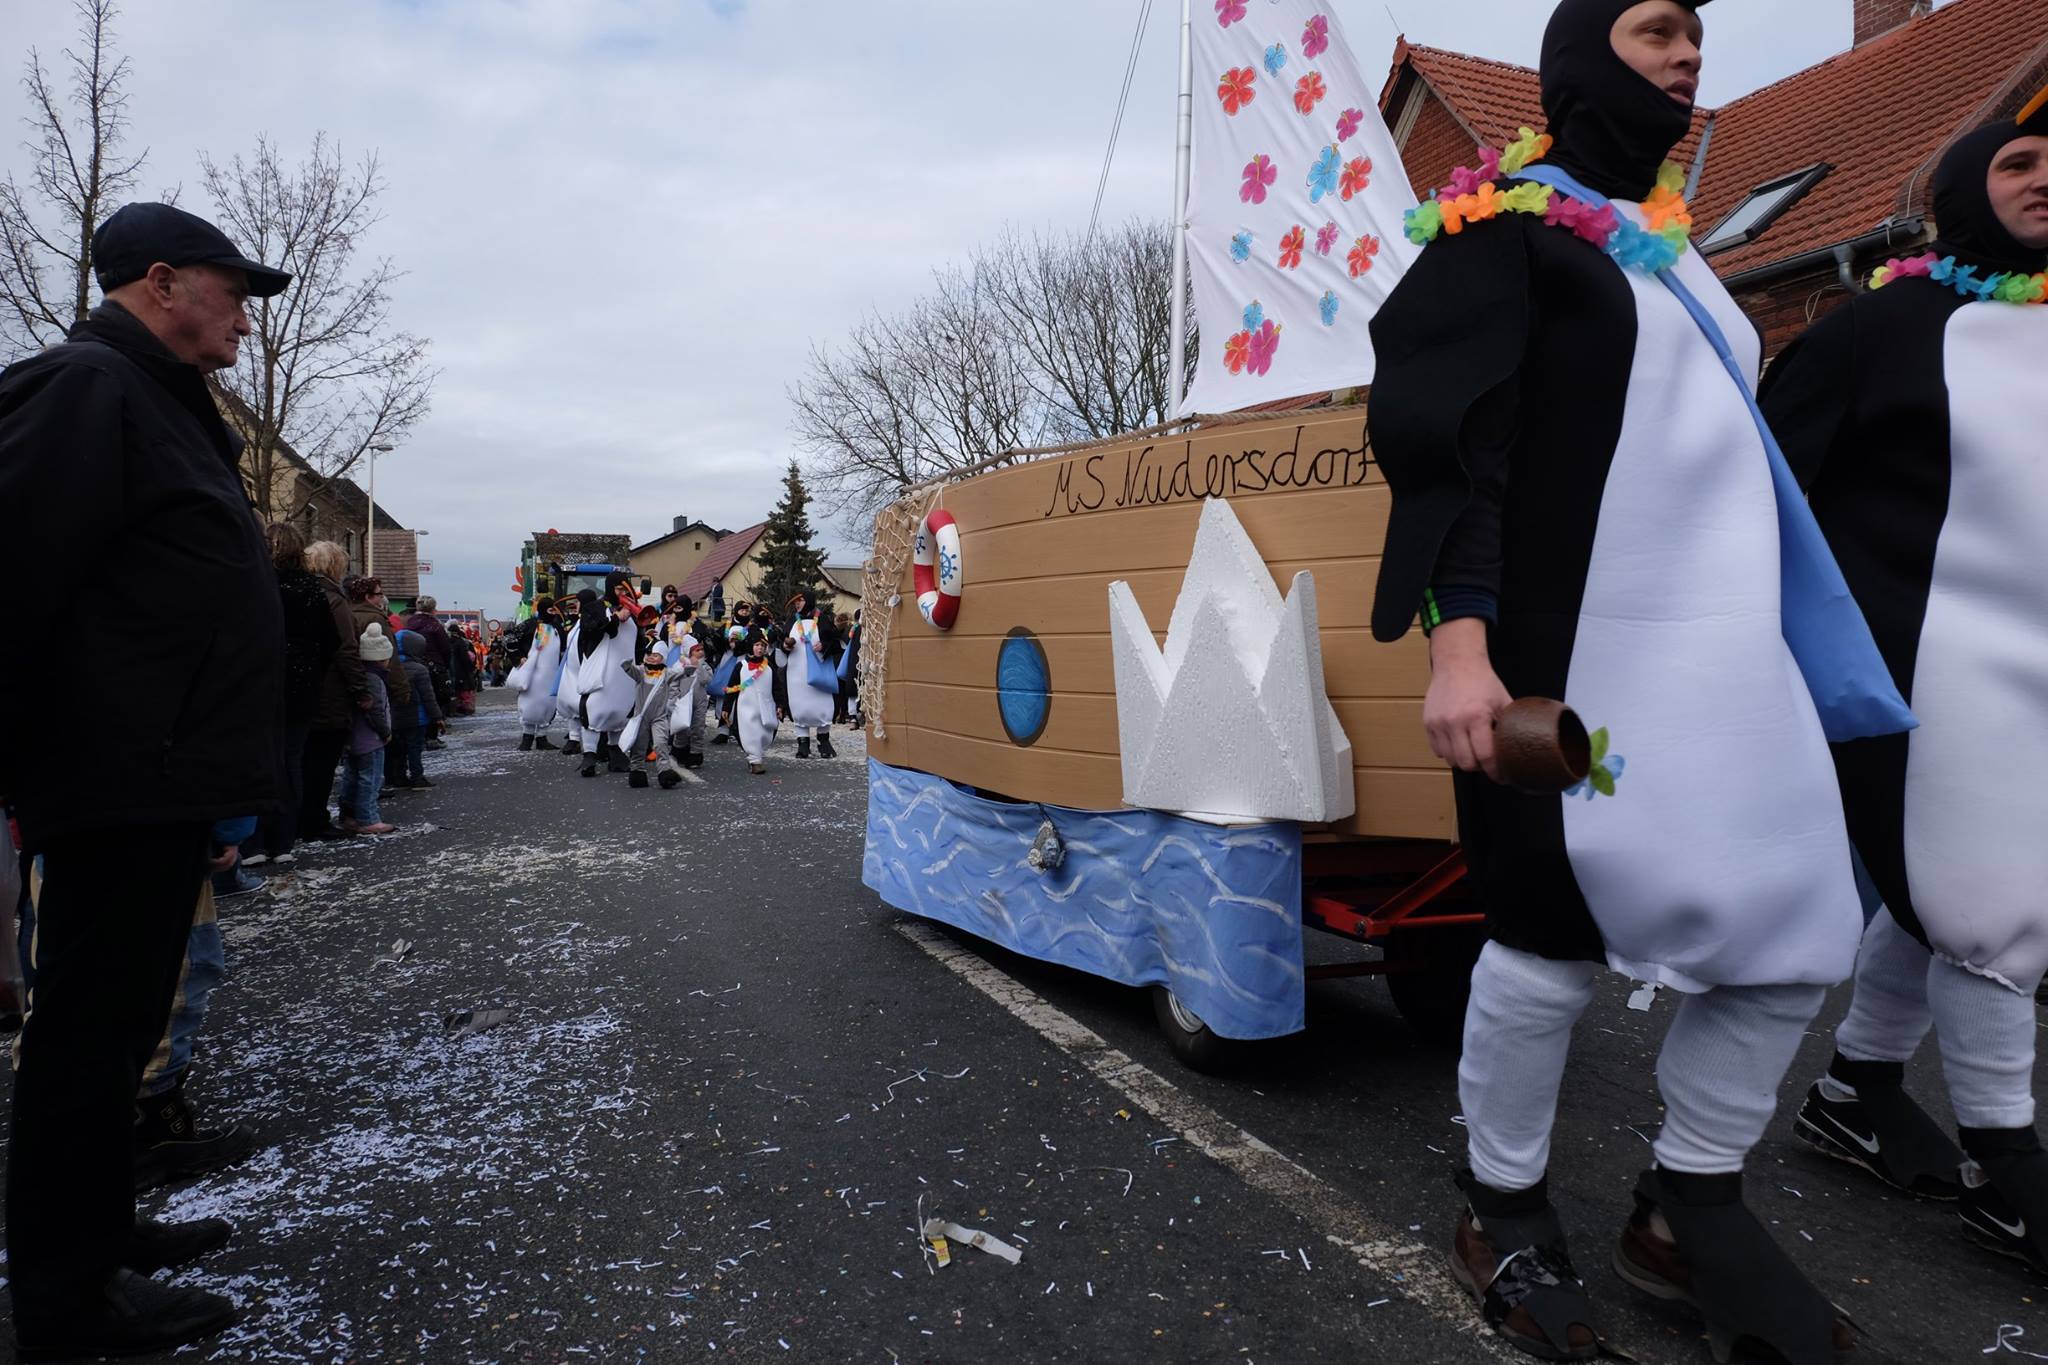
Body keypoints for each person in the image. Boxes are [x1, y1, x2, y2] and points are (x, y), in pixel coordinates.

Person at [1365, 4, 1910, 1360]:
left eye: (1698, 34)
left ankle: (1686, 1207)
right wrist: (1459, 646)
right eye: (1658, 28)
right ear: (1580, 59)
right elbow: (1456, 455)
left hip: (1727, 667)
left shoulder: (1677, 257)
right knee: (1545, 940)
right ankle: (1499, 1204)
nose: (1689, 53)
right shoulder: (1499, 233)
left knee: (1799, 931)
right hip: (1570, 662)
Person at [1760, 94, 2048, 1270]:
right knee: (1987, 904)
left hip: (2032, 668)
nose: (2043, 181)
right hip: (1914, 661)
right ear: (1963, 185)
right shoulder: (1877, 329)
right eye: (2019, 161)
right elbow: (1763, 486)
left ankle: (1855, 1087)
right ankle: (2004, 1160)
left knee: (1953, 891)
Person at [0, 200, 291, 1356]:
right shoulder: (85, 387)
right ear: (161, 283)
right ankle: (66, 1299)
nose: (246, 322)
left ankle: (104, 1233)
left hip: (157, 778)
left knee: (120, 1029)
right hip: (112, 776)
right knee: (83, 1037)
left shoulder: (155, 401)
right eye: (234, 294)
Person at [249, 522, 326, 865]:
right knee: (291, 759)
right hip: (301, 683)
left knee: (257, 758)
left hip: (260, 681)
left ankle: (252, 841)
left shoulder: (257, 583)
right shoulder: (311, 589)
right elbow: (330, 640)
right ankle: (283, 840)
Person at [302, 543, 377, 842]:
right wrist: (361, 690)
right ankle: (314, 819)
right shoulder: (334, 600)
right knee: (322, 759)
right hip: (330, 690)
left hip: (301, 686)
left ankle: (296, 819)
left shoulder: (295, 592)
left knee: (303, 758)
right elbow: (347, 649)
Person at [574, 574, 642, 777]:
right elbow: (589, 629)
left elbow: (637, 642)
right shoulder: (594, 607)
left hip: (624, 674)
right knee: (595, 708)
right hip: (602, 669)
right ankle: (589, 754)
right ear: (611, 588)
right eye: (619, 590)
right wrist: (614, 618)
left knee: (622, 709)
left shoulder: (632, 613)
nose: (622, 594)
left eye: (626, 590)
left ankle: (616, 752)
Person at [340, 625, 397, 836]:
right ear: (382, 659)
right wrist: (385, 732)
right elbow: (376, 711)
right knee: (370, 779)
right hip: (371, 739)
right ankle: (368, 818)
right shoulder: (375, 680)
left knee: (351, 777)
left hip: (352, 737)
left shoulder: (357, 677)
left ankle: (349, 815)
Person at [779, 601, 838, 759]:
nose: (797, 604)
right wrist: (786, 646)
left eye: (801, 600)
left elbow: (836, 642)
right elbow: (781, 642)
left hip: (820, 669)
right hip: (796, 672)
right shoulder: (792, 621)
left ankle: (823, 741)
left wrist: (824, 645)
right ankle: (802, 743)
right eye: (795, 602)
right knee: (799, 705)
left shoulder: (822, 619)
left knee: (822, 704)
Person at [508, 596, 566, 750]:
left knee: (548, 704)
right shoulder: (530, 624)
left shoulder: (557, 627)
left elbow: (565, 647)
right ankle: (527, 737)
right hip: (532, 673)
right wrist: (519, 657)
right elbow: (509, 636)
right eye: (550, 610)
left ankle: (542, 737)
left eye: (554, 610)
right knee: (530, 703)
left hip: (551, 674)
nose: (553, 613)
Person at [389, 630, 445, 790]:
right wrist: (437, 717)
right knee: (415, 748)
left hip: (394, 717)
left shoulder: (390, 667)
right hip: (416, 717)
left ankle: (399, 777)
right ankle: (417, 777)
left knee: (399, 749)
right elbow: (428, 697)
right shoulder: (419, 669)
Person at [732, 636, 778, 776]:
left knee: (764, 732)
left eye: (763, 646)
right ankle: (755, 760)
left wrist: (780, 705)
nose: (760, 648)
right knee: (749, 732)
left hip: (765, 706)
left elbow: (777, 688)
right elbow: (732, 687)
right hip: (745, 707)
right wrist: (726, 708)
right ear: (751, 647)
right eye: (757, 645)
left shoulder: (770, 667)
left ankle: (756, 755)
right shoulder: (741, 666)